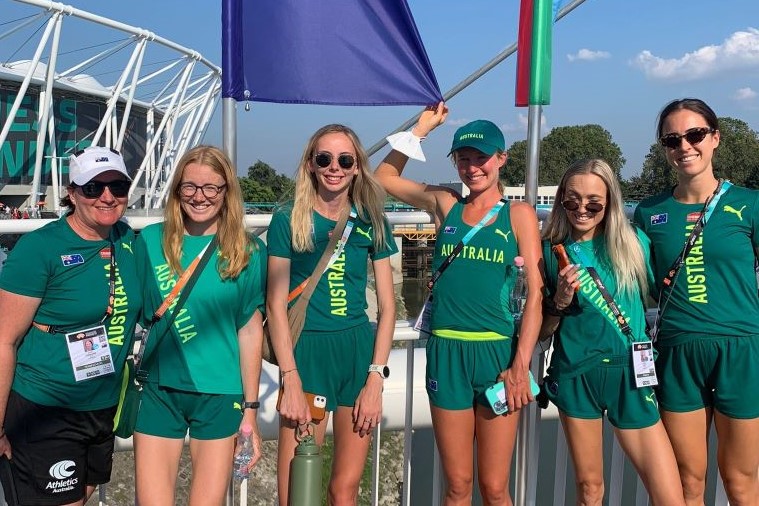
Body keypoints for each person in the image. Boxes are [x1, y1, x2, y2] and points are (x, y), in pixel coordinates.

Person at [375, 103, 543, 505]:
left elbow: (536, 293)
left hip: (496, 355)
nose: (472, 168)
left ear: (501, 159)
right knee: (457, 485)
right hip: (446, 351)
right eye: (463, 159)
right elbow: (383, 178)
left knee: (495, 487)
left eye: (481, 158)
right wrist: (419, 130)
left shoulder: (518, 215)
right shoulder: (446, 205)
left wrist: (520, 365)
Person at [633, 98, 759, 505]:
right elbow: (636, 280)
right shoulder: (649, 212)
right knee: (688, 483)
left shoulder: (749, 204)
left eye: (695, 134)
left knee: (741, 482)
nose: (685, 146)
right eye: (673, 139)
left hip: (740, 350)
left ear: (715, 138)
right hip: (678, 353)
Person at [0, 146, 142, 505]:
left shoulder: (129, 241)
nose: (107, 197)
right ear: (71, 192)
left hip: (101, 407)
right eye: (93, 188)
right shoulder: (39, 248)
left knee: (85, 494)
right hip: (45, 407)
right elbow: (4, 340)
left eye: (118, 187)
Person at [540, 158, 685, 505]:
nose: (582, 209)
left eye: (594, 202)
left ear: (610, 203)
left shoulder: (634, 242)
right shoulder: (550, 249)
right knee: (590, 490)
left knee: (669, 495)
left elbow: (667, 296)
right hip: (577, 373)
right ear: (561, 200)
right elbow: (543, 330)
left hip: (631, 374)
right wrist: (559, 300)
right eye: (571, 200)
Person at [267, 124, 397, 505]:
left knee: (345, 490)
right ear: (311, 164)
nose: (334, 167)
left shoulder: (372, 220)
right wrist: (289, 379)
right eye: (324, 159)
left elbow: (388, 308)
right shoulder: (288, 218)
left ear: (357, 167)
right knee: (298, 492)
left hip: (356, 356)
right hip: (307, 355)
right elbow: (275, 305)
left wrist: (375, 380)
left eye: (345, 160)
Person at [132, 145, 267, 505]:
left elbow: (251, 330)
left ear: (227, 192)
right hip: (160, 389)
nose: (200, 197)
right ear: (177, 190)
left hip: (220, 394)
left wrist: (250, 410)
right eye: (190, 187)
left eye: (212, 188)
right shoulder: (149, 241)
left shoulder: (248, 251)